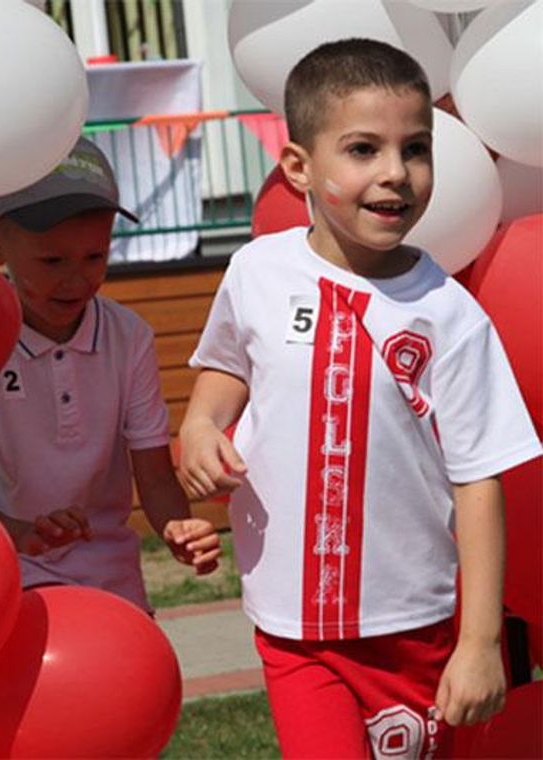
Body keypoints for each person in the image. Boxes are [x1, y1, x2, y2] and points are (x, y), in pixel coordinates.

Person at [178, 39, 542, 758]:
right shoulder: (256, 271)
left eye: (415, 148)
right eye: (364, 149)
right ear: (298, 169)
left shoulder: (451, 316)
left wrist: (479, 646)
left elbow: (479, 481)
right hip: (293, 634)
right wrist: (198, 423)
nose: (396, 174)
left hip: (420, 633)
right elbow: (226, 368)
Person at [0, 136, 220, 614]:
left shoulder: (130, 337)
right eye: (52, 261)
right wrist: (22, 533)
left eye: (95, 257)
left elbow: (153, 473)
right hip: (13, 568)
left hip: (112, 571)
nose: (77, 279)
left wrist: (176, 527)